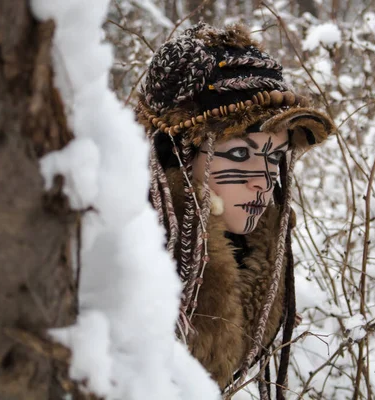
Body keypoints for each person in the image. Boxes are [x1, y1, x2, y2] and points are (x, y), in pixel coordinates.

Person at [136, 23, 335, 396]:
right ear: (179, 154)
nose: (263, 181)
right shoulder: (119, 268)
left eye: (274, 157)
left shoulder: (245, 255)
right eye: (241, 154)